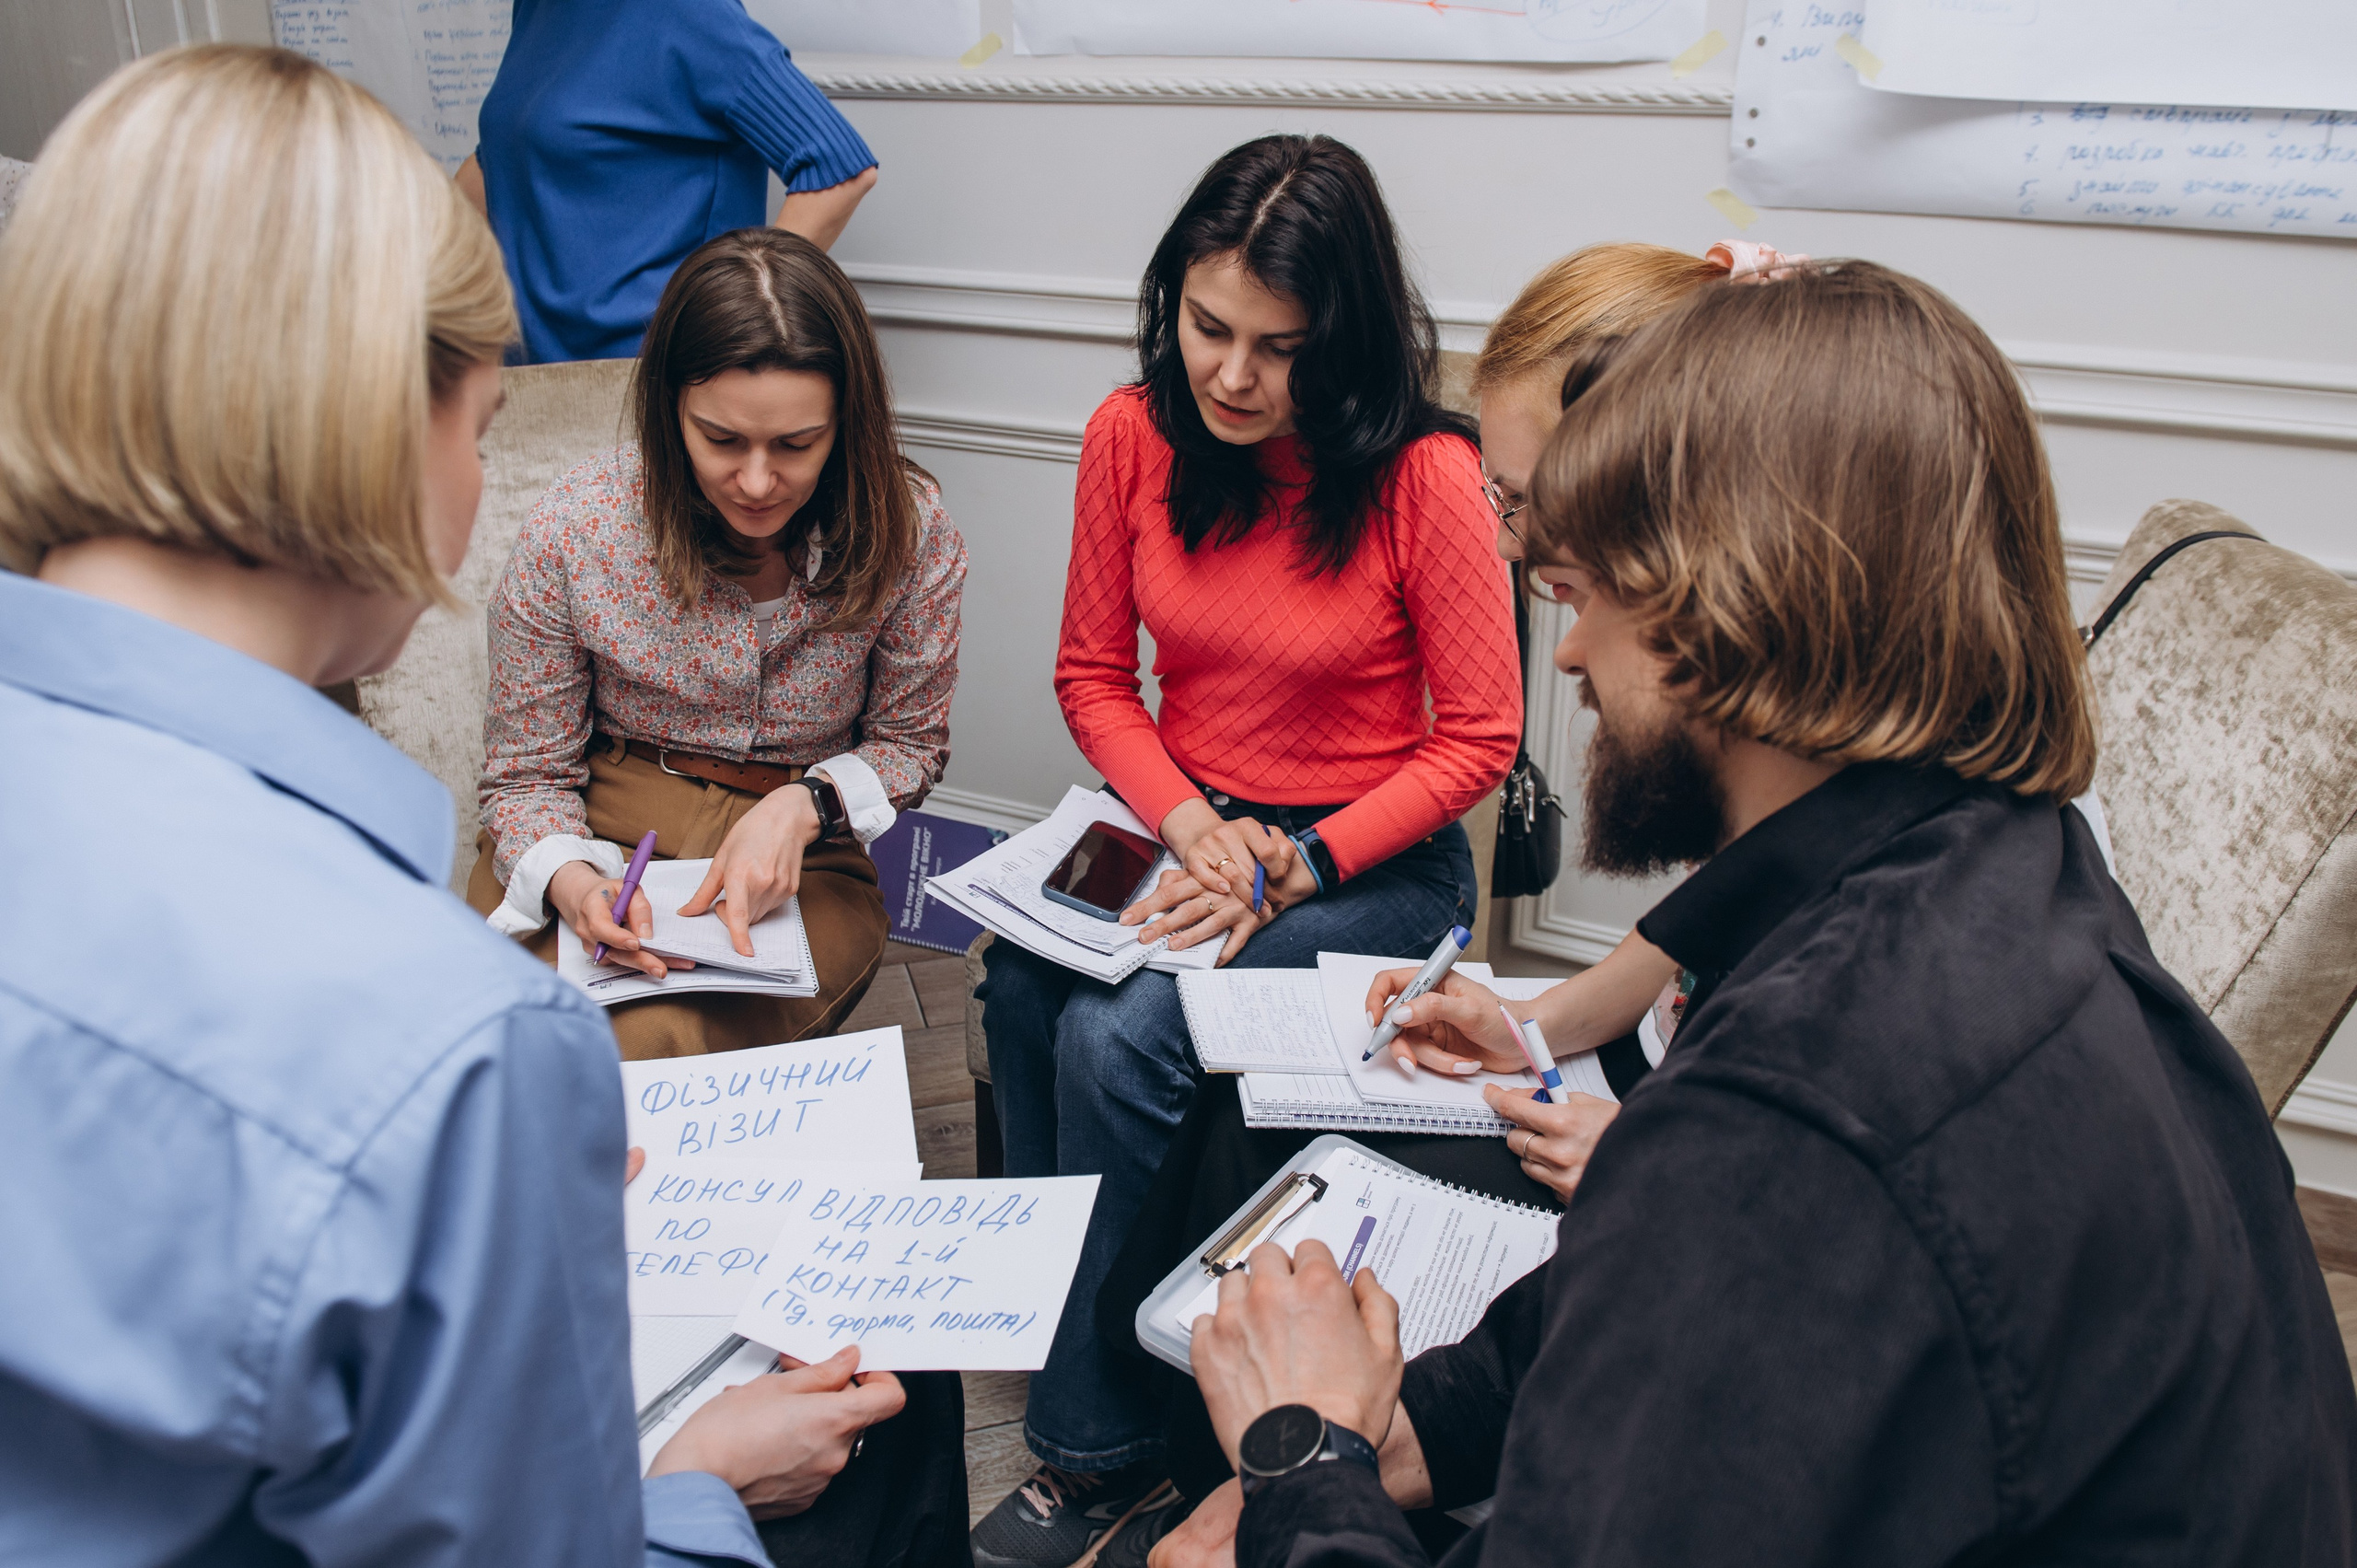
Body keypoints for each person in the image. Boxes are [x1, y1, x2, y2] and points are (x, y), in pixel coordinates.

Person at [1159, 260, 2357, 1567]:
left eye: (1592, 589)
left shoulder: (1792, 1124)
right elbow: (1644, 1311)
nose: (1569, 656)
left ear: (1730, 601)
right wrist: (1411, 1434)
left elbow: (1740, 1228)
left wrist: (1304, 1452)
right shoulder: (2014, 863)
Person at [0, 43, 968, 1567]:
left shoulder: (908, 529)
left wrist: (806, 799)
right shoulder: (460, 1050)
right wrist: (688, 1491)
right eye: (482, 418)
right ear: (375, 433)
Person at [970, 134, 1523, 1568]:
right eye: (1208, 329)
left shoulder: (1425, 473)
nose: (1230, 375)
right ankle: (1056, 1332)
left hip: (1368, 854)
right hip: (1192, 817)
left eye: (1277, 349)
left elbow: (1476, 739)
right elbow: (1095, 675)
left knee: (1121, 1039)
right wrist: (1198, 826)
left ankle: (1090, 1448)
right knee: (1023, 988)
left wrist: (1295, 862)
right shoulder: (1127, 433)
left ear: (1339, 342)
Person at [469, 226, 964, 1061]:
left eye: (798, 444)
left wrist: (806, 805)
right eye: (723, 440)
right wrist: (575, 880)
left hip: (802, 847)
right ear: (671, 411)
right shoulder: (577, 529)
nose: (760, 482)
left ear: (847, 419)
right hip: (595, 811)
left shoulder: (911, 532)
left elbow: (910, 743)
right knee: (540, 1036)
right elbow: (525, 775)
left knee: (658, 1039)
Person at [459, 0, 879, 363]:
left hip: (649, 369)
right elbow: (503, 160)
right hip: (525, 361)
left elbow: (838, 169)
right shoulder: (538, 9)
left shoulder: (683, 9)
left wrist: (740, 314)